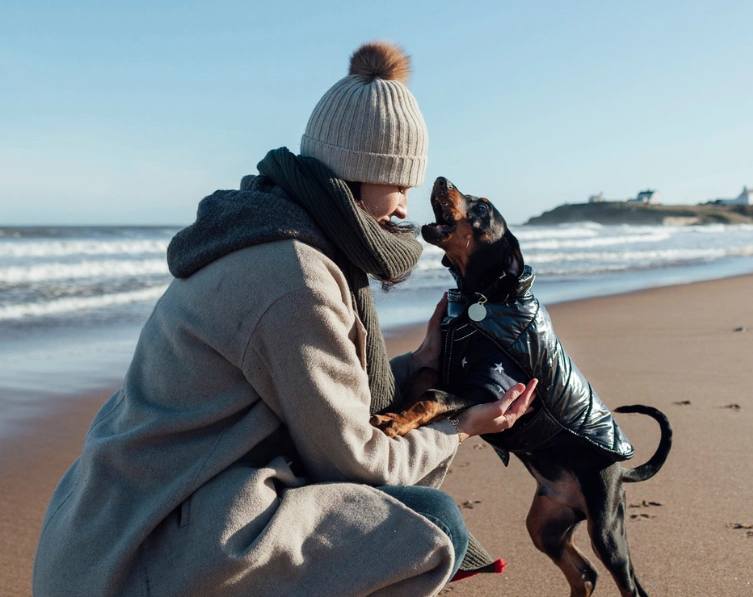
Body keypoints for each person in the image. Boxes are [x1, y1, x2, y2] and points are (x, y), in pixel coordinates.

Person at [32, 41, 535, 597]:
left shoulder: (264, 232)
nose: (404, 207)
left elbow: (308, 393)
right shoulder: (296, 278)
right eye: (399, 183)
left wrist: (416, 364)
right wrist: (458, 426)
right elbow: (358, 462)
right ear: (358, 173)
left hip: (108, 526)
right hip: (136, 558)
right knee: (432, 525)